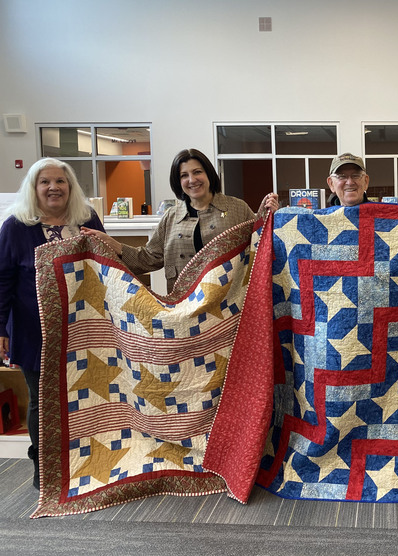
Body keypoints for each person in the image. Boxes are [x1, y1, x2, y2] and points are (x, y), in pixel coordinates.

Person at [0, 158, 106, 489]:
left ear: (70, 187)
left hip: (82, 327)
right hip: (34, 332)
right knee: (42, 399)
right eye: (44, 182)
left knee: (85, 395)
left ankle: (85, 464)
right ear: (34, 188)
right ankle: (45, 470)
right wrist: (0, 327)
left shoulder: (86, 219)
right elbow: (2, 281)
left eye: (60, 181)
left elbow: (105, 266)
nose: (53, 187)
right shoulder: (16, 227)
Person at [81, 148, 279, 292]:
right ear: (178, 181)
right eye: (184, 175)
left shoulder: (236, 208)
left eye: (197, 172)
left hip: (228, 301)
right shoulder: (171, 217)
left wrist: (273, 217)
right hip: (183, 305)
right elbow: (149, 259)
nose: (192, 180)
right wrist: (112, 244)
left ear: (209, 174)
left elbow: (261, 245)